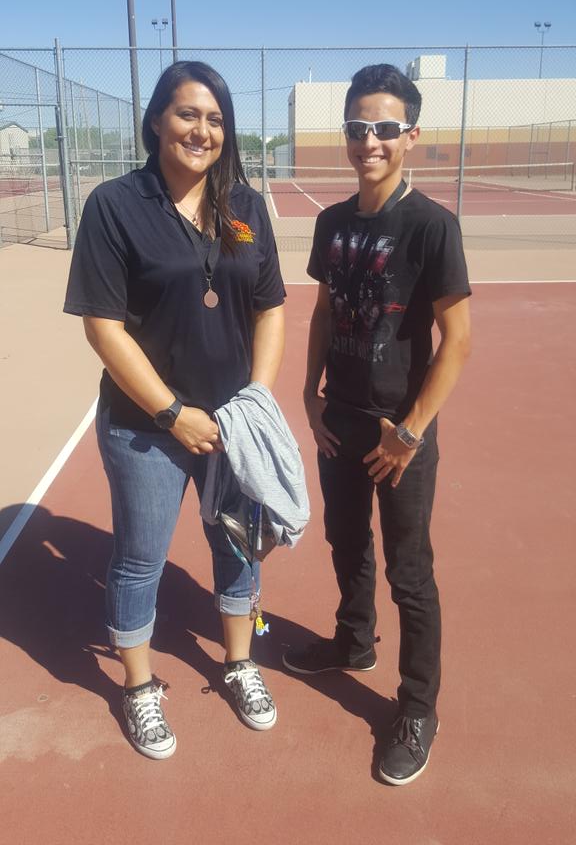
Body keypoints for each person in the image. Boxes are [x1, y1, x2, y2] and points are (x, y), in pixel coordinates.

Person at [64, 61, 286, 759]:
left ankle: (239, 662)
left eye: (215, 119)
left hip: (232, 425)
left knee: (238, 546)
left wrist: (254, 402)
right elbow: (103, 326)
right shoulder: (115, 204)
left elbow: (271, 308)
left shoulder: (245, 206)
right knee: (140, 559)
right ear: (158, 119)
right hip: (146, 429)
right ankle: (138, 686)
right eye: (187, 114)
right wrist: (171, 413)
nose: (201, 130)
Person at [282, 64, 471, 785]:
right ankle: (353, 641)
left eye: (385, 128)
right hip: (342, 419)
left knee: (409, 572)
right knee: (344, 540)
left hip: (402, 434)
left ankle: (418, 707)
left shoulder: (432, 226)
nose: (370, 141)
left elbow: (458, 341)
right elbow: (325, 312)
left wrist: (411, 430)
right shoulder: (332, 224)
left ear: (410, 136)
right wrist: (309, 394)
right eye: (358, 127)